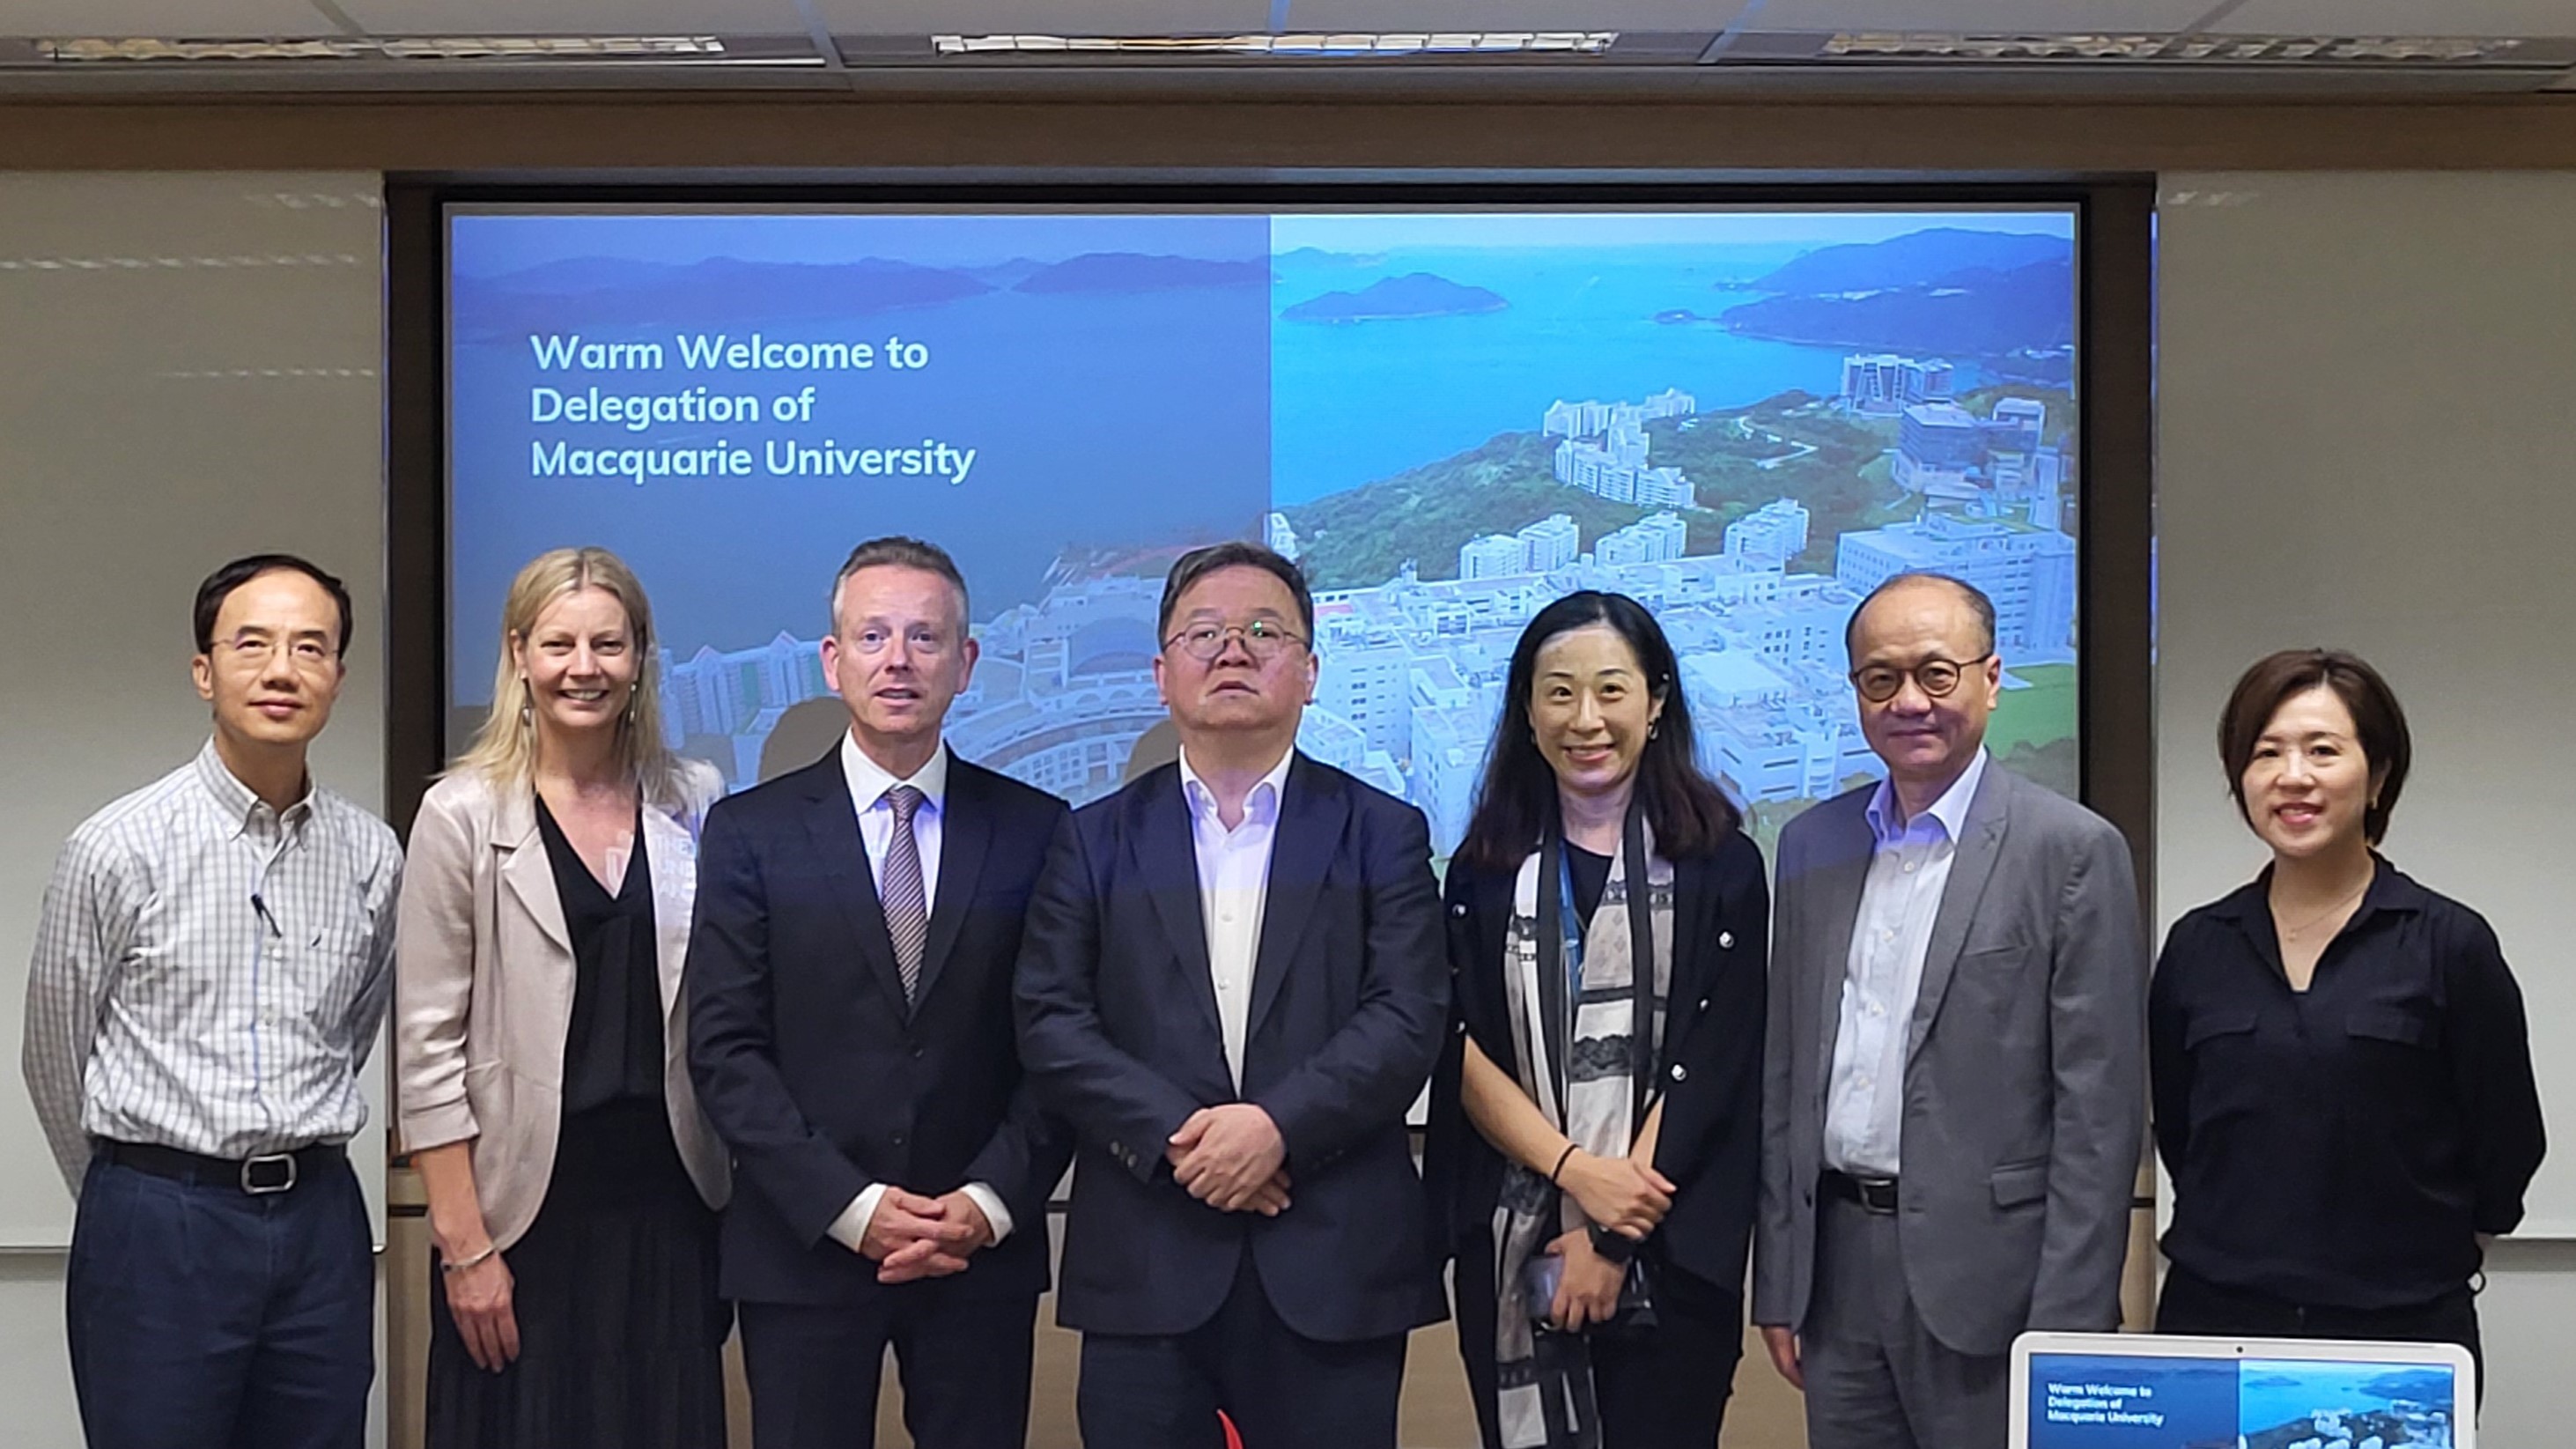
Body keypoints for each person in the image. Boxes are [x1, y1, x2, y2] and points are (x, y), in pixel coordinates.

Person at [1015, 541, 1450, 1448]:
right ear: (1161, 673)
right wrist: (1187, 1143)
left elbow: (1409, 1014)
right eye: (1203, 632)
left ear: (1311, 671)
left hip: (1331, 1261)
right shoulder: (1092, 840)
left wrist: (1274, 1129)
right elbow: (1052, 1021)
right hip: (1146, 1259)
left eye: (1264, 630)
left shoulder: (1383, 832)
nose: (1234, 649)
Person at [688, 536, 1073, 1449]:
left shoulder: (1038, 830)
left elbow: (1059, 1041)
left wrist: (987, 1202)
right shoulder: (750, 832)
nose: (898, 660)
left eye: (925, 638)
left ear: (967, 662)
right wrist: (850, 1207)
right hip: (804, 1249)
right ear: (833, 661)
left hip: (977, 1251)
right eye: (873, 637)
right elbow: (725, 1049)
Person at [1753, 571, 2148, 1449]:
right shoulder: (1811, 844)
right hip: (1839, 1276)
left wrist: (2068, 1329)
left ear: (1992, 677)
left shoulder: (2072, 850)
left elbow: (2100, 1111)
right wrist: (1781, 1281)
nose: (1910, 701)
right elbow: (1788, 1078)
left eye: (1936, 672)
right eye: (1880, 678)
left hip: (1999, 1286)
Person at [21, 553, 402, 1449]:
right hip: (160, 1222)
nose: (282, 669)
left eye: (311, 647)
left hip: (319, 1220)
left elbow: (352, 1031)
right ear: (204, 671)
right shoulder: (117, 847)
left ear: (339, 676)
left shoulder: (371, 854)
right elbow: (52, 1053)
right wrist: (135, 1189)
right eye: (253, 644)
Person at [394, 547, 731, 1448]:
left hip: (672, 1212)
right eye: (559, 644)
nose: (585, 667)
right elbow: (424, 1054)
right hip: (517, 1220)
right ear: (517, 655)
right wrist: (465, 1250)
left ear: (641, 658)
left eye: (609, 644)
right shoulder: (461, 814)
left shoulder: (695, 800)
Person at [1426, 591, 1769, 1449]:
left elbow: (1717, 1056)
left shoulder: (1721, 861)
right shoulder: (1479, 871)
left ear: (1656, 703)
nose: (1586, 718)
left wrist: (1611, 1236)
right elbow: (1459, 1048)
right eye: (1559, 692)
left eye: (1611, 690)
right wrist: (1577, 1173)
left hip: (1673, 1246)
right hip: (1515, 1244)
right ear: (1527, 712)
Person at [2150, 648, 2544, 1373]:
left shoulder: (2446, 941)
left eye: (2322, 750)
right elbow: (2181, 1130)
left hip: (2400, 1332)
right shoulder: (2197, 946)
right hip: (2216, 1323)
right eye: (2265, 752)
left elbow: (2507, 1139)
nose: (2291, 776)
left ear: (2378, 775)